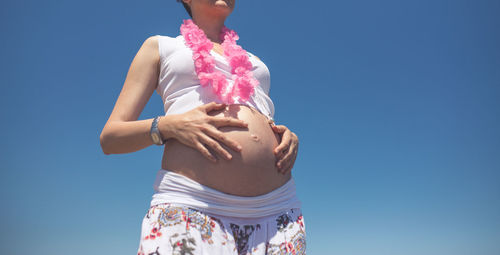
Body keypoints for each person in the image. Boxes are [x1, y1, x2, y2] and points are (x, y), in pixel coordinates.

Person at [99, 0, 306, 254]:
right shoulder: (161, 47)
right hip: (192, 204)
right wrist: (168, 126)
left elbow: (259, 116)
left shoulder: (256, 64)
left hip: (276, 212)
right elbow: (110, 138)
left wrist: (285, 136)